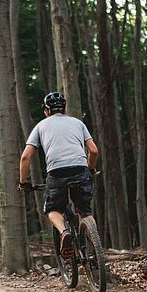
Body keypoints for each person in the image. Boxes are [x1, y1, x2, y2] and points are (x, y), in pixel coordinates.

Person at [19, 92, 99, 259]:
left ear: (47, 110)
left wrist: (23, 182)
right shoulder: (78, 123)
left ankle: (64, 232)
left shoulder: (40, 126)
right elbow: (94, 150)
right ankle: (97, 252)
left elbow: (25, 157)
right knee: (85, 212)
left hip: (57, 172)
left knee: (53, 209)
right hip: (80, 169)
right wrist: (90, 169)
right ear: (64, 108)